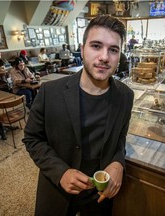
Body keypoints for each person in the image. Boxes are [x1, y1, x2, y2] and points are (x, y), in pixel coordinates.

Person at [23, 15, 134, 216]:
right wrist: (60, 172)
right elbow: (32, 138)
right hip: (58, 194)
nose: (104, 57)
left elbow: (120, 139)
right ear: (82, 49)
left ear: (119, 56)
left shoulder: (126, 96)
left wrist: (118, 163)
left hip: (99, 199)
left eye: (113, 50)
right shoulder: (50, 92)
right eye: (96, 46)